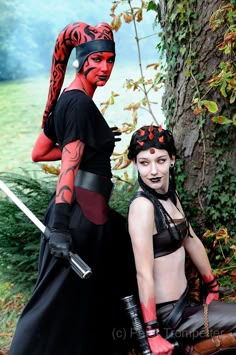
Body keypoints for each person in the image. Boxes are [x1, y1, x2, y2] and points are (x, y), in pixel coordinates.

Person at [9, 21, 136, 355]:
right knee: (52, 306)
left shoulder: (70, 98)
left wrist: (92, 144)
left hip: (91, 214)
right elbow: (67, 165)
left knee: (83, 303)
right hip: (78, 217)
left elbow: (42, 151)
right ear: (82, 60)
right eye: (98, 60)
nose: (105, 67)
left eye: (110, 60)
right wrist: (61, 228)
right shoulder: (79, 104)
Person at [127, 124, 236, 355]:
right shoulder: (142, 207)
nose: (153, 171)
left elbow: (191, 239)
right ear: (135, 164)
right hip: (172, 315)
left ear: (173, 160)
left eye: (161, 161)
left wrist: (213, 286)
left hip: (189, 301)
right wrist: (153, 334)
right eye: (144, 163)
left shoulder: (169, 195)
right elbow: (143, 273)